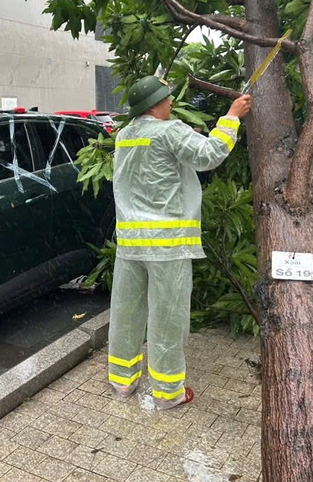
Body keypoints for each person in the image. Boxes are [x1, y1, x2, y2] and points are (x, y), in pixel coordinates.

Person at [107, 75, 252, 410]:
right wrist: (231, 116)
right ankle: (168, 392)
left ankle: (123, 381)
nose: (172, 102)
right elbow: (209, 155)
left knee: (126, 312)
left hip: (131, 243)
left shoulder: (125, 135)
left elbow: (154, 166)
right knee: (167, 318)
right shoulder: (172, 131)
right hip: (166, 245)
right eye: (167, 98)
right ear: (155, 104)